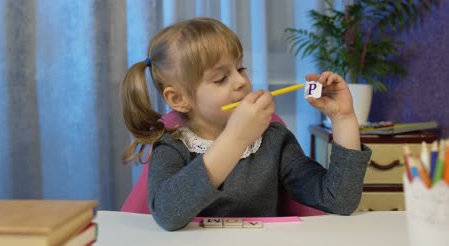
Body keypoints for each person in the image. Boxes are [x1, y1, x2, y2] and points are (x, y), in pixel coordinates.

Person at [120, 17, 372, 231]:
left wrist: (344, 119)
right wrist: (236, 139)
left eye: (240, 68)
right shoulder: (172, 145)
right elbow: (167, 213)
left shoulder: (273, 138)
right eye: (221, 78)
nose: (241, 82)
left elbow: (339, 199)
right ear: (179, 99)